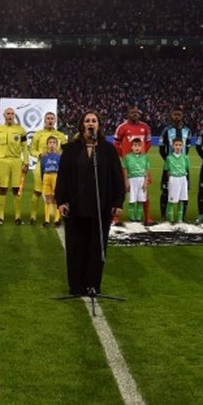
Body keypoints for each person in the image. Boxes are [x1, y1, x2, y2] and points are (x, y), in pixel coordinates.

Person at [54, 111, 125, 297]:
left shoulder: (108, 150)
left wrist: (118, 202)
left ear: (99, 125)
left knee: (97, 247)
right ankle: (76, 287)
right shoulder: (70, 150)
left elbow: (117, 177)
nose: (90, 123)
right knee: (76, 247)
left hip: (101, 208)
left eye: (94, 121)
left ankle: (93, 285)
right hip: (76, 208)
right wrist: (61, 201)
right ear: (81, 126)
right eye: (87, 121)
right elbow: (62, 178)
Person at [113, 106, 152, 224]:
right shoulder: (122, 127)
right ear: (128, 114)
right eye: (132, 112)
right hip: (127, 163)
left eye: (136, 112)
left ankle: (147, 217)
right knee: (121, 190)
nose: (135, 114)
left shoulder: (145, 127)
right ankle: (115, 217)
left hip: (141, 164)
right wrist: (123, 155)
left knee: (144, 190)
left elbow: (148, 143)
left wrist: (142, 156)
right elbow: (116, 143)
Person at [28, 112, 68, 225]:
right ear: (44, 120)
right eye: (48, 118)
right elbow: (31, 150)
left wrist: (60, 155)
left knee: (57, 193)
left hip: (57, 168)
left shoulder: (60, 135)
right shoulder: (38, 135)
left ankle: (57, 217)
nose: (50, 120)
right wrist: (40, 154)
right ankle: (33, 216)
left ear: (55, 120)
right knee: (37, 192)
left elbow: (66, 150)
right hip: (41, 167)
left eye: (52, 118)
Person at [0, 107, 29, 225]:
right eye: (8, 113)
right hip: (2, 161)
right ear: (4, 115)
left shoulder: (21, 130)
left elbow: (24, 147)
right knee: (2, 188)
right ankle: (0, 217)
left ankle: (17, 217)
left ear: (14, 115)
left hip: (16, 161)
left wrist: (26, 162)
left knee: (16, 190)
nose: (10, 115)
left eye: (12, 114)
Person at [122, 137, 150, 223]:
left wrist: (145, 183)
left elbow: (146, 171)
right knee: (131, 200)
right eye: (135, 145)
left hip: (141, 180)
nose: (137, 147)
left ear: (141, 147)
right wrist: (126, 182)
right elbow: (125, 170)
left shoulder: (145, 157)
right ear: (131, 147)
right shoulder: (127, 157)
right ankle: (131, 218)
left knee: (140, 200)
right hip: (132, 180)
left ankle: (138, 218)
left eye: (139, 146)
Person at [164, 138, 191, 224]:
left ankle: (179, 219)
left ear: (182, 146)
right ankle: (171, 219)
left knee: (181, 199)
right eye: (176, 145)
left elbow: (187, 168)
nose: (178, 147)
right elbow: (167, 170)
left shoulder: (185, 157)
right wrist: (169, 181)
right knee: (171, 200)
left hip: (183, 178)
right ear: (172, 146)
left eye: (180, 145)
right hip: (174, 179)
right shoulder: (169, 158)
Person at [39, 136, 62, 228]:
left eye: (54, 143)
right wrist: (42, 178)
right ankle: (47, 220)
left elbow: (62, 169)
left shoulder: (59, 156)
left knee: (56, 198)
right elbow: (42, 168)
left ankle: (57, 219)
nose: (52, 145)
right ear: (47, 144)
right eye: (50, 143)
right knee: (48, 198)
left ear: (56, 145)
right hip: (46, 176)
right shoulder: (44, 156)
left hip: (55, 176)